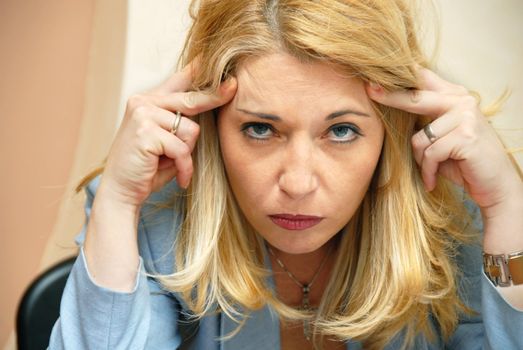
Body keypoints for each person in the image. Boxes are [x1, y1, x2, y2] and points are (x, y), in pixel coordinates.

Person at [49, 0, 523, 349]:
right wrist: (116, 201)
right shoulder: (155, 212)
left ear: (391, 131)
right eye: (259, 128)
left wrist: (508, 207)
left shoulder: (451, 203)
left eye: (341, 131)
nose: (297, 182)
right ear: (212, 126)